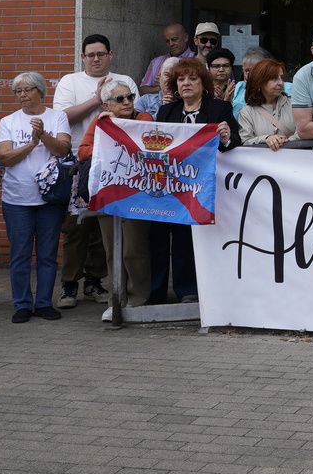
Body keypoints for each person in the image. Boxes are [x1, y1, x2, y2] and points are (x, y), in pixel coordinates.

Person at [153, 58, 239, 304]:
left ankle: (187, 290)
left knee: (184, 240)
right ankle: (155, 292)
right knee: (157, 236)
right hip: (168, 186)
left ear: (203, 83)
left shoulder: (219, 109)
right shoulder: (166, 112)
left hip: (201, 187)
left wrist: (225, 137)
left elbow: (235, 142)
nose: (186, 83)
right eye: (181, 79)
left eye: (192, 78)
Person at [52, 34, 126, 308]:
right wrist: (98, 100)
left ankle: (94, 282)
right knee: (76, 228)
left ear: (110, 55)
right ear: (83, 57)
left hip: (115, 164)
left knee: (101, 227)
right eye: (90, 55)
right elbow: (62, 117)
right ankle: (69, 286)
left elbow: (133, 114)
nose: (96, 59)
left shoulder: (124, 81)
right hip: (79, 162)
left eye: (101, 54)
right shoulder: (70, 82)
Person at [0, 71, 73, 324]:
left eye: (27, 89)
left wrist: (44, 136)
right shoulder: (8, 121)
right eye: (18, 91)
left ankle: (43, 303)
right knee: (19, 253)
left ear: (41, 91)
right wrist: (31, 143)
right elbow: (5, 158)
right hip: (17, 199)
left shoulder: (57, 116)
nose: (22, 95)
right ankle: (22, 304)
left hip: (49, 199)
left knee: (48, 253)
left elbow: (63, 149)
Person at [78, 77, 153, 309]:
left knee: (134, 248)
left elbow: (147, 147)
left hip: (136, 194)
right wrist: (107, 133)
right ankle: (117, 299)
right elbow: (83, 152)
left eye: (130, 96)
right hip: (108, 192)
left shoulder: (143, 118)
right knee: (112, 250)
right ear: (106, 105)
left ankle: (138, 298)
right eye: (119, 99)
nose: (127, 102)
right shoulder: (100, 123)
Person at [238, 58, 296, 150]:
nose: (280, 83)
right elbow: (245, 141)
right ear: (259, 82)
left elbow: (304, 131)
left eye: (281, 77)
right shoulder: (247, 112)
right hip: (262, 163)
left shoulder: (294, 104)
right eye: (274, 79)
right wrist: (266, 139)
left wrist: (287, 141)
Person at [140, 22, 193, 93]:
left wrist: (170, 84)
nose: (171, 44)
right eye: (167, 41)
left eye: (174, 39)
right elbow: (142, 90)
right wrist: (161, 87)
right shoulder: (156, 62)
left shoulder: (196, 60)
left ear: (186, 37)